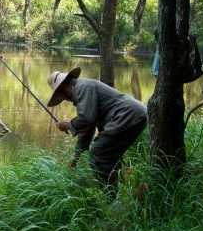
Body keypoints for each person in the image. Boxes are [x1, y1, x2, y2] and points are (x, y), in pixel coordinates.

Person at [47, 67, 147, 195]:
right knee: (111, 156)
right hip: (134, 114)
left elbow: (87, 119)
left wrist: (67, 125)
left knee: (98, 153)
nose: (65, 100)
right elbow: (87, 130)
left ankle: (110, 197)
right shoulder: (82, 92)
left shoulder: (83, 87)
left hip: (127, 114)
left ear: (64, 87)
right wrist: (75, 159)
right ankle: (133, 190)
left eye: (61, 96)